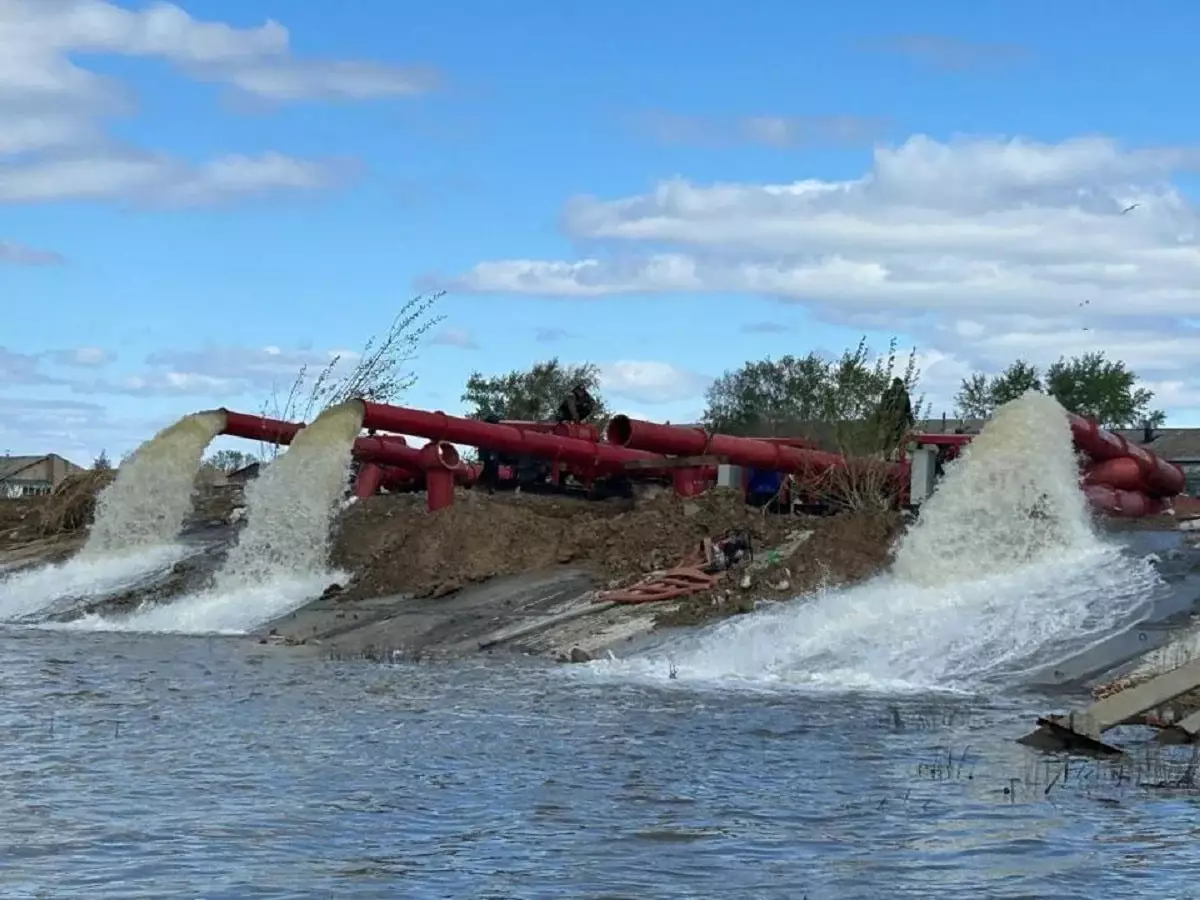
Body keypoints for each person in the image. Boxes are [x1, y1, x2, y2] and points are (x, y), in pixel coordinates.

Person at [876, 377, 914, 455]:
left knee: (899, 439)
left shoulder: (905, 395)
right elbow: (881, 407)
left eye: (898, 385)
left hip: (900, 421)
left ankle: (897, 454)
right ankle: (885, 455)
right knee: (886, 438)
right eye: (895, 385)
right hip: (888, 420)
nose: (897, 387)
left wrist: (911, 421)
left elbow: (908, 409)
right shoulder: (887, 394)